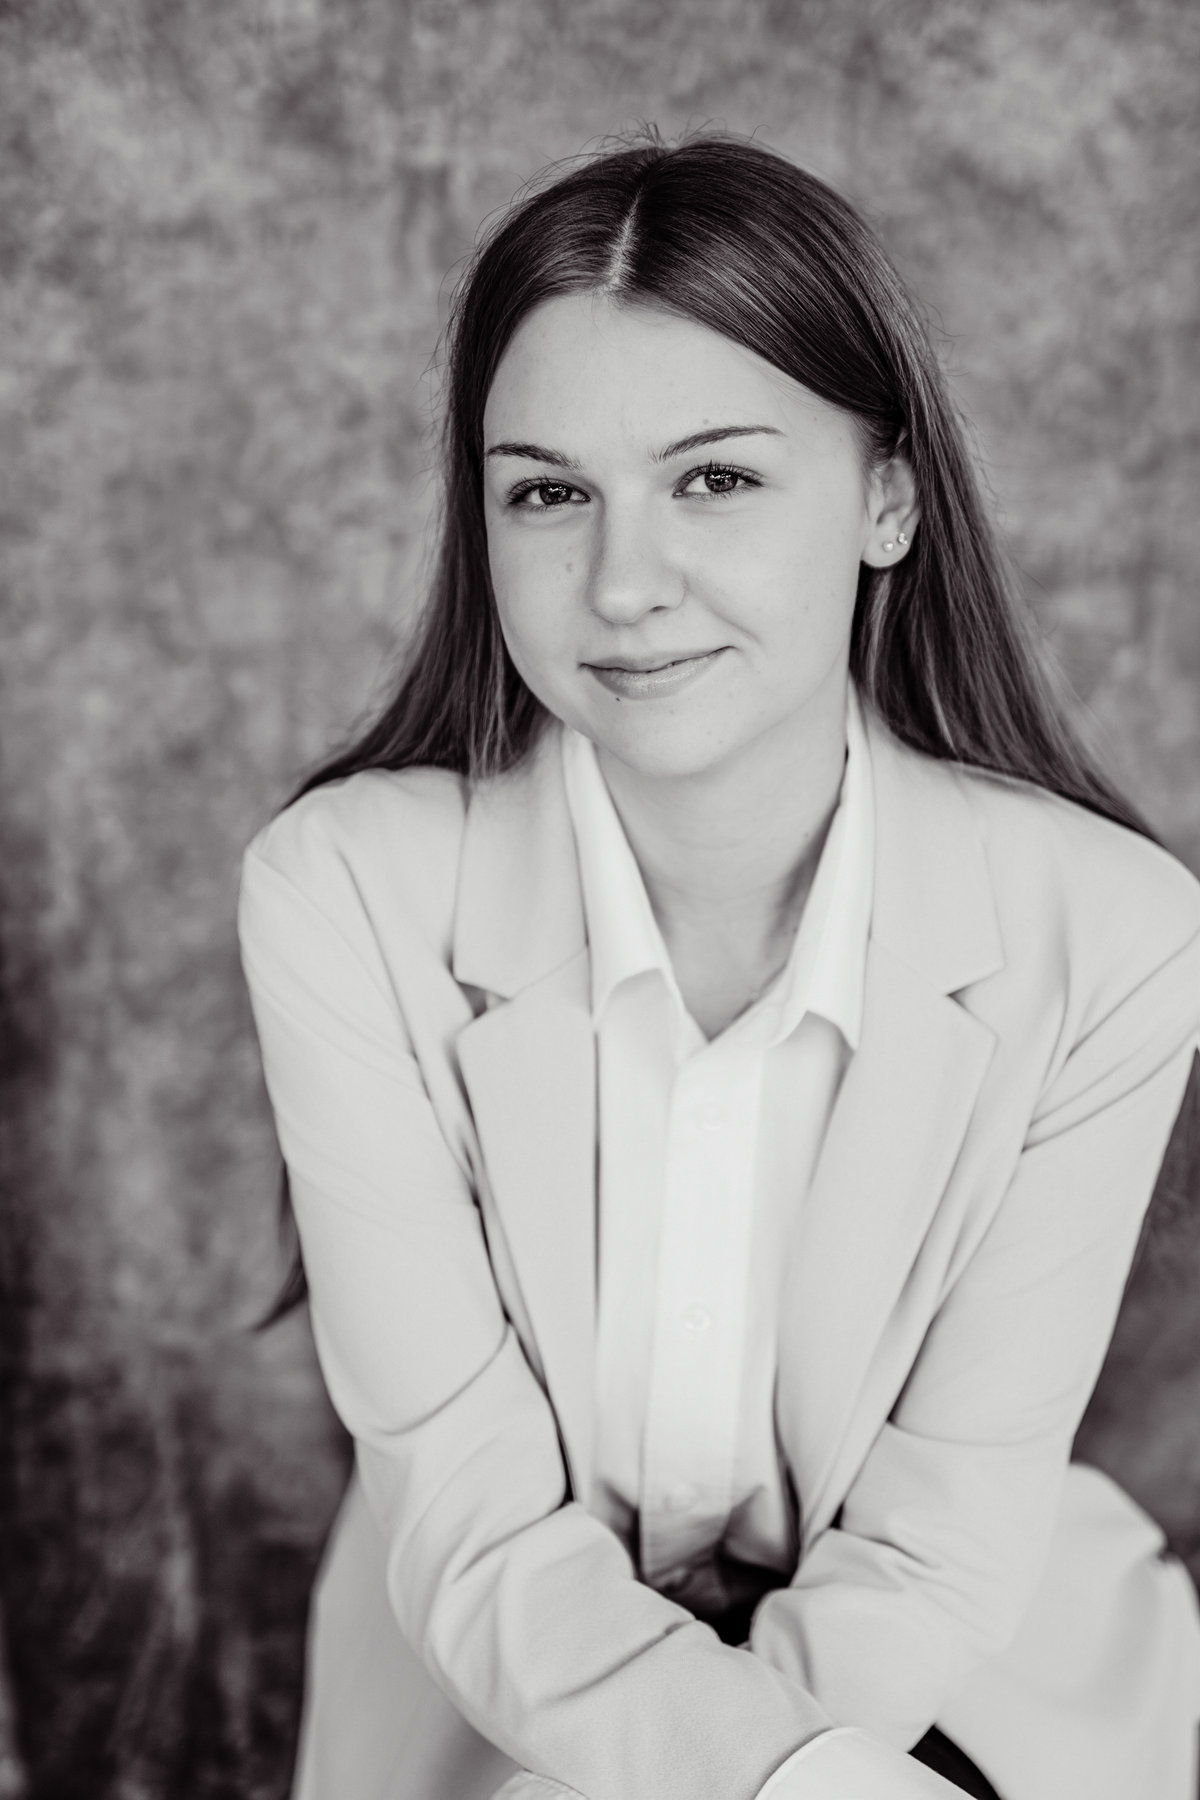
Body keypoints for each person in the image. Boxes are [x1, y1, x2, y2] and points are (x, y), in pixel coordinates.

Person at [237, 136, 1200, 1800]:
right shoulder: (341, 895)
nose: (623, 585)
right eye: (549, 493)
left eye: (715, 481)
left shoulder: (1116, 933)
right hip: (499, 1680)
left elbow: (937, 1541)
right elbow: (475, 1527)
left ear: (888, 500)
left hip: (962, 1669)